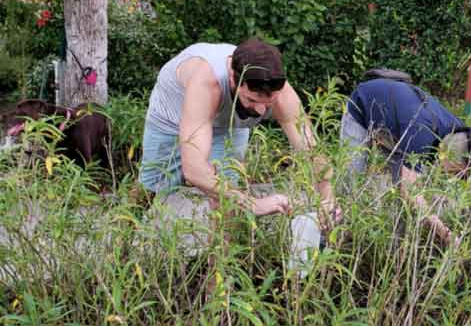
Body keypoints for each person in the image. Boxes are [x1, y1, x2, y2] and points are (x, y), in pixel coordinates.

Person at [139, 39, 333, 217]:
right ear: (234, 79)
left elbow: (311, 150)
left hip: (228, 124)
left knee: (227, 194)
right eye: (252, 99)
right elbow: (194, 169)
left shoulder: (280, 91)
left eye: (269, 103)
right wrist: (253, 204)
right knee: (152, 190)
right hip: (172, 117)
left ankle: (218, 254)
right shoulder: (207, 83)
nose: (260, 110)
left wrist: (327, 199)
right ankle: (123, 237)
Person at [340, 76, 471, 242]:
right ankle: (338, 237)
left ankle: (398, 239)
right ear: (446, 153)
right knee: (351, 184)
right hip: (362, 107)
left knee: (403, 195)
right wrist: (446, 234)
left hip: (399, 124)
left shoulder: (463, 135)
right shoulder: (422, 134)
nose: (454, 176)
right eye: (455, 170)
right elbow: (410, 191)